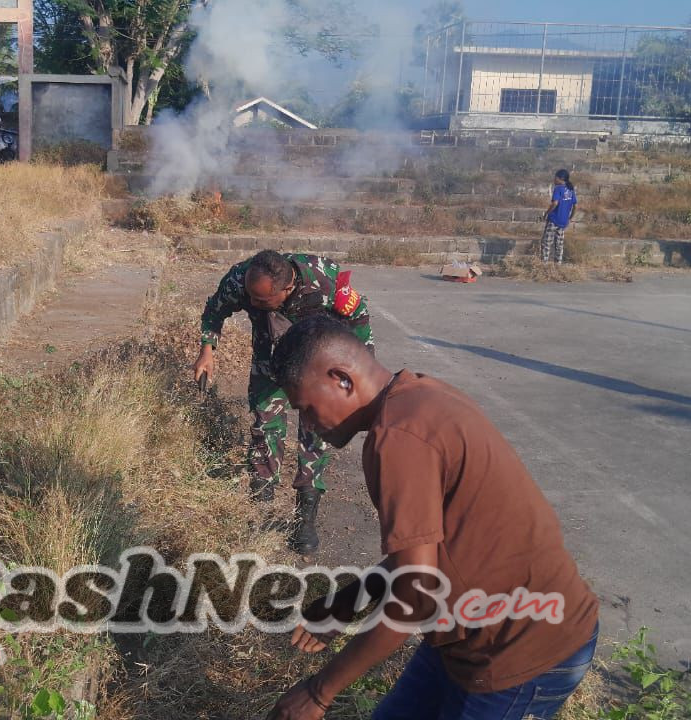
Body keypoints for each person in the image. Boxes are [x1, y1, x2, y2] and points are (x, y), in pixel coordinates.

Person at [264, 315, 599, 720]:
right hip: (463, 635)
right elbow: (425, 554)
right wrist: (347, 601)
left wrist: (319, 691)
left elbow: (416, 595)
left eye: (307, 408)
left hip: (518, 651)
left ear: (341, 379)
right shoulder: (417, 394)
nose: (309, 425)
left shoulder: (398, 440)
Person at [194, 251, 373, 554]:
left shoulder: (324, 281)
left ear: (287, 290)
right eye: (251, 297)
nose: (252, 304)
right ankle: (261, 511)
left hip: (317, 364)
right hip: (270, 361)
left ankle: (305, 518)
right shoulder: (243, 278)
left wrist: (360, 373)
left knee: (315, 435)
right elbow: (215, 309)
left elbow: (359, 318)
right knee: (265, 428)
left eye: (262, 301)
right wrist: (207, 350)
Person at [540, 169, 577, 264]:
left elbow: (555, 203)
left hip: (554, 220)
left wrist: (546, 213)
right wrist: (570, 218)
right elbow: (575, 206)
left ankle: (543, 265)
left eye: (555, 177)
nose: (554, 179)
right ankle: (558, 266)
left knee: (546, 243)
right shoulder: (571, 190)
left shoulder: (558, 189)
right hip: (563, 222)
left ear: (560, 178)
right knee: (559, 245)